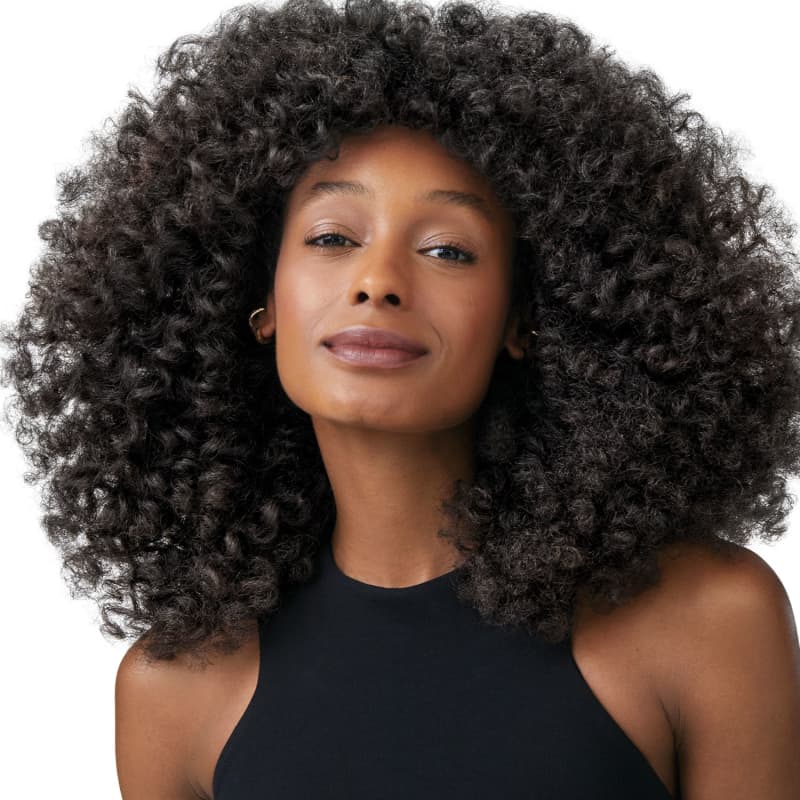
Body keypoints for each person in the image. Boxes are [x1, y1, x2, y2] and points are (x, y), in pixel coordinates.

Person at [1, 0, 799, 797]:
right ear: (259, 300)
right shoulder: (177, 691)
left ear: (524, 319)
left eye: (447, 250)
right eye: (332, 238)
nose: (378, 281)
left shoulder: (706, 622)